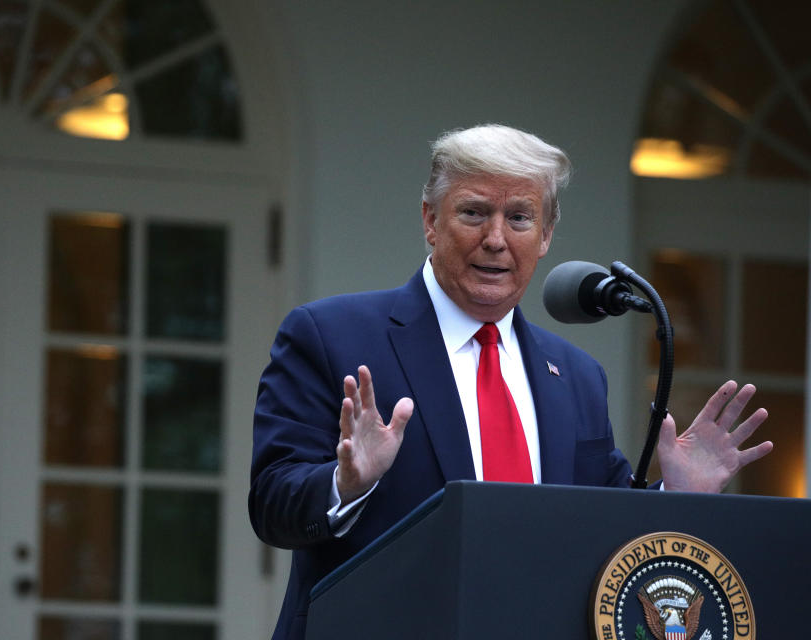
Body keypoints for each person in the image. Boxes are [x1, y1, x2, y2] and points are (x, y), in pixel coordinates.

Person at [248, 124, 772, 640]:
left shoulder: (578, 378)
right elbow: (272, 505)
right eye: (474, 212)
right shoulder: (331, 336)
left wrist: (673, 496)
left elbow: (605, 529)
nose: (496, 239)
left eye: (519, 218)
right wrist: (345, 485)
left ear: (545, 236)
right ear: (430, 220)